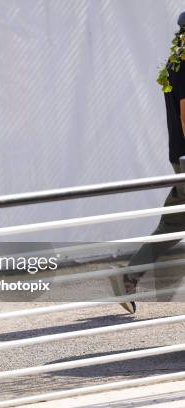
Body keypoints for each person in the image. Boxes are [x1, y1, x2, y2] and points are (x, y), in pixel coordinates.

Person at [111, 12, 185, 314]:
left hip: (180, 157)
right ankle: (127, 277)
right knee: (172, 224)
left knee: (172, 224)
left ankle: (127, 277)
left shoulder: (175, 63)